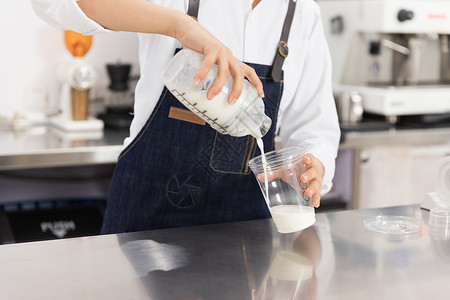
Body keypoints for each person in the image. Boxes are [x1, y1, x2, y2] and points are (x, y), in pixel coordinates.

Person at [31, 0, 341, 234]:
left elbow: (313, 127)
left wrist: (314, 165)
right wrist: (180, 26)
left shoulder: (301, 14)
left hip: (246, 240)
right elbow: (53, 4)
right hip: (146, 230)